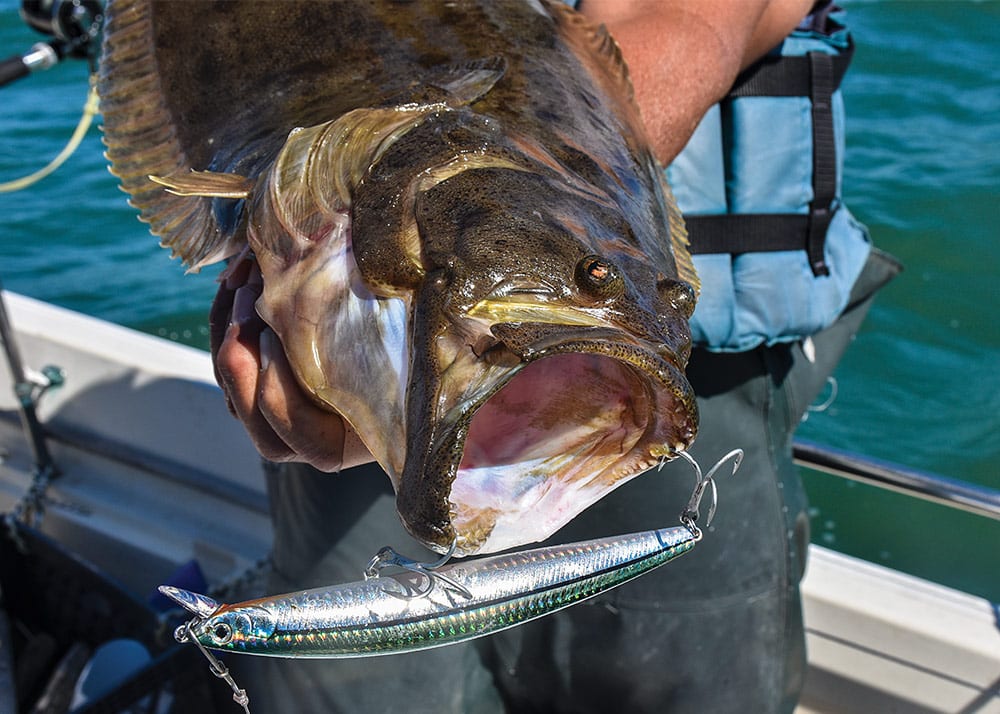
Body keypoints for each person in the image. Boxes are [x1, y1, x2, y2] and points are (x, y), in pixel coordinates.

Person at [209, 2, 899, 712]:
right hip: (381, 325)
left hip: (638, 370)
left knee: (682, 680)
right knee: (356, 691)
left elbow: (689, 19)